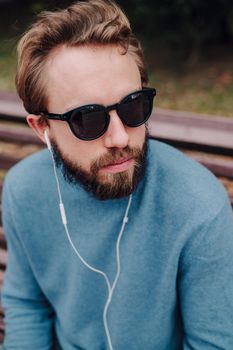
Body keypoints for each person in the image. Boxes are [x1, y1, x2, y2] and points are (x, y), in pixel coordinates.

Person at [1, 0, 233, 349]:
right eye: (88, 119)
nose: (121, 138)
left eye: (133, 106)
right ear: (42, 127)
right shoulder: (23, 190)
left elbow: (213, 343)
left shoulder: (198, 207)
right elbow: (28, 305)